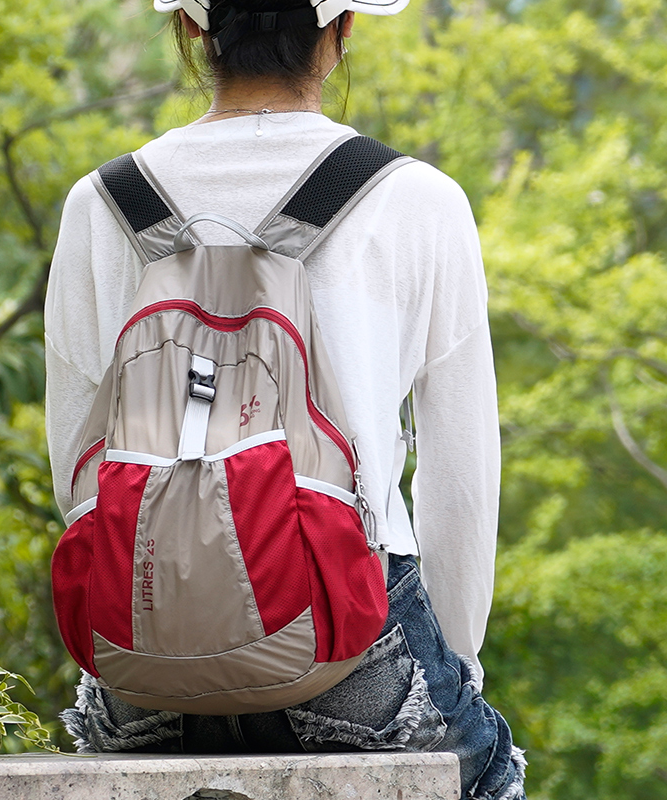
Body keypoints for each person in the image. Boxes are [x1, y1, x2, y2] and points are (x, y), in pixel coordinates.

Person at [44, 0, 527, 796]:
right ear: (340, 32)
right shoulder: (420, 199)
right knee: (488, 777)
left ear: (193, 31)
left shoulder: (99, 204)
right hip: (353, 634)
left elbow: (79, 470)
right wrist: (453, 668)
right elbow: (459, 479)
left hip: (144, 636)